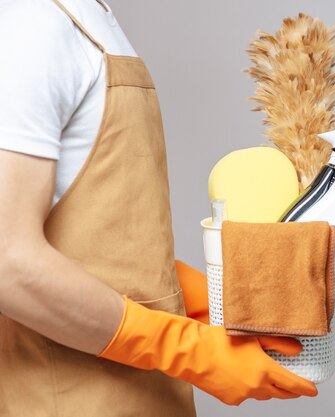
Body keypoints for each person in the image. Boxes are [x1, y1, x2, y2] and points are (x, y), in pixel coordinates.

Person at [0, 0, 317, 415]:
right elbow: (9, 263)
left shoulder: (91, 20)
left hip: (146, 397)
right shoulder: (34, 27)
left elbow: (93, 238)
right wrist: (188, 348)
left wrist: (200, 302)